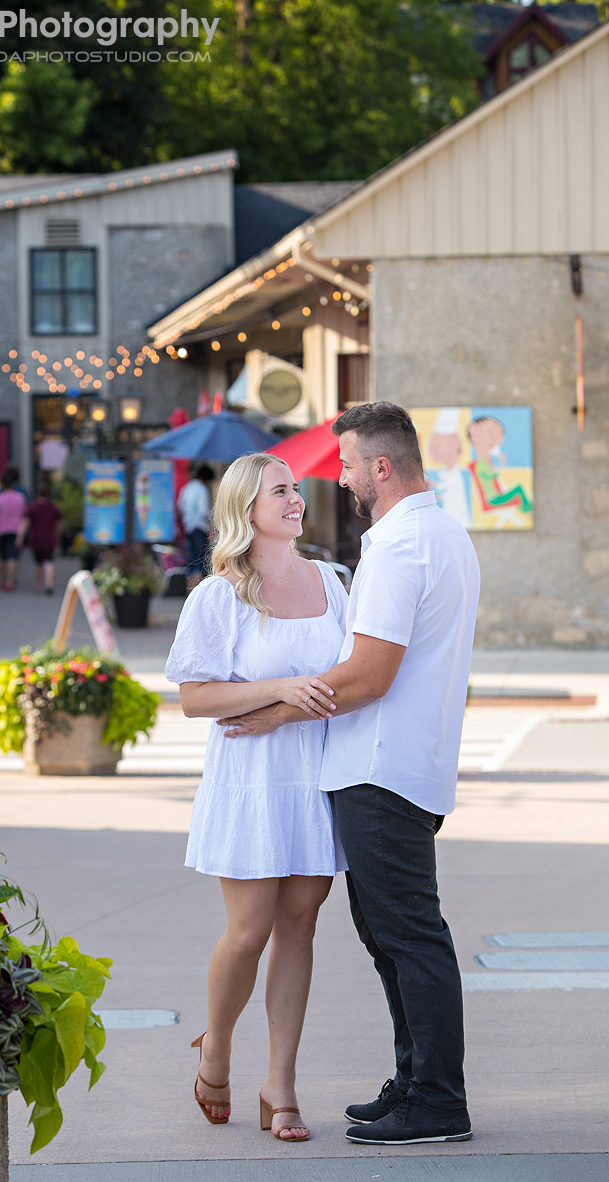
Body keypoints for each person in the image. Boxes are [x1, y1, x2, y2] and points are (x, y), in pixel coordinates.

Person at [217, 402, 480, 1147]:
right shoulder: (442, 533)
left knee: (408, 934)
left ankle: (436, 1099)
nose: (339, 478)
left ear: (382, 468)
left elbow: (367, 676)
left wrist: (275, 711)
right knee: (389, 932)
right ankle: (413, 1079)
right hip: (406, 763)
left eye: (347, 465)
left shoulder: (399, 547)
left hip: (380, 770)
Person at [165, 453, 349, 1142]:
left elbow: (352, 675)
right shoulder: (219, 595)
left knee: (298, 929)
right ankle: (215, 1048)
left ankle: (281, 1084)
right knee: (247, 934)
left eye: (297, 488)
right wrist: (277, 690)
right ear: (246, 508)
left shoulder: (332, 581)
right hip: (249, 782)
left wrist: (299, 700)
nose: (296, 498)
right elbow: (193, 698)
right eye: (280, 490)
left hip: (317, 778)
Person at [17, 478, 63, 595]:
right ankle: (49, 584)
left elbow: (25, 523)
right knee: (49, 562)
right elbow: (59, 522)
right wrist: (57, 535)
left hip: (36, 539)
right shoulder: (52, 507)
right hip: (49, 538)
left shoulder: (32, 507)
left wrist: (20, 537)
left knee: (38, 563)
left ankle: (38, 585)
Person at [177, 463, 215, 591]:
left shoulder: (187, 487)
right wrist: (212, 523)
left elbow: (180, 506)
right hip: (200, 527)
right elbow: (204, 511)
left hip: (188, 527)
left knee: (192, 560)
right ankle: (197, 591)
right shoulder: (202, 489)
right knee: (200, 561)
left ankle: (189, 591)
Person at [0, 465, 26, 592]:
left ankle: (2, 580)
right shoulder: (20, 497)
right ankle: (10, 581)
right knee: (13, 557)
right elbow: (23, 515)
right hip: (15, 529)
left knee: (2, 557)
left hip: (1, 530)